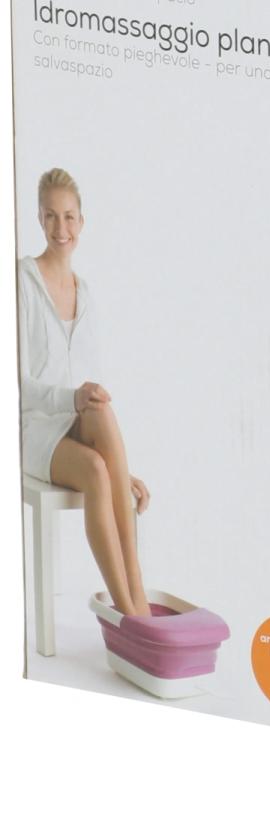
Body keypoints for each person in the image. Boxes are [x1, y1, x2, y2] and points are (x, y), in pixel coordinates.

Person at [19, 168, 151, 617]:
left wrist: (122, 471)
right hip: (32, 429)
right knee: (96, 469)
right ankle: (130, 612)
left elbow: (89, 388)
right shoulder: (21, 281)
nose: (61, 228)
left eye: (70, 217)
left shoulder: (86, 293)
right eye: (51, 216)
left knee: (102, 408)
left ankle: (138, 594)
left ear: (82, 221)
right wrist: (70, 400)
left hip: (74, 425)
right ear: (39, 218)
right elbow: (15, 386)